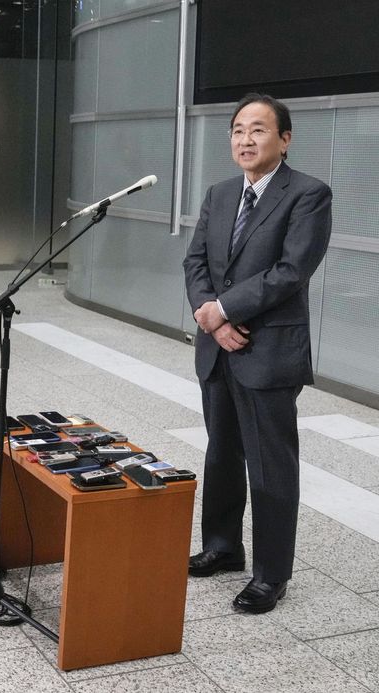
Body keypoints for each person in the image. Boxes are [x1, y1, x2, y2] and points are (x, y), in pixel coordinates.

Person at [182, 93, 332, 614]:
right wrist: (210, 314)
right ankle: (223, 547)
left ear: (284, 139)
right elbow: (196, 262)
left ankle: (271, 575)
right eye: (238, 130)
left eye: (259, 130)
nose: (245, 140)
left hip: (268, 350)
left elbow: (291, 271)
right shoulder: (220, 193)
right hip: (218, 347)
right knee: (221, 452)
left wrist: (222, 310)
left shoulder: (308, 194)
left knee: (271, 466)